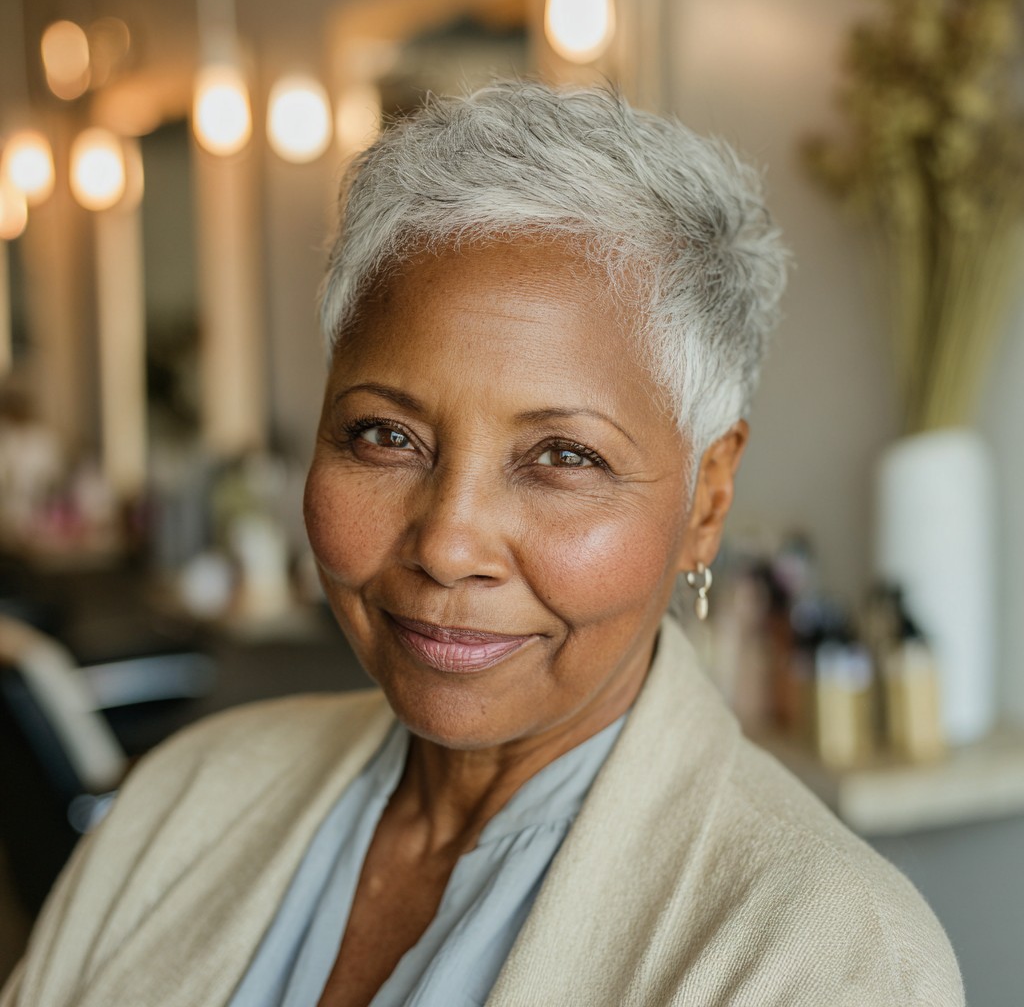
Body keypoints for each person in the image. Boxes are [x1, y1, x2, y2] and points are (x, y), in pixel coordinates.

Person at [2, 81, 964, 1007]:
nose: (448, 544)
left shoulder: (826, 959)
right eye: (385, 436)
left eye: (561, 456)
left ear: (706, 499)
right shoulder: (191, 797)